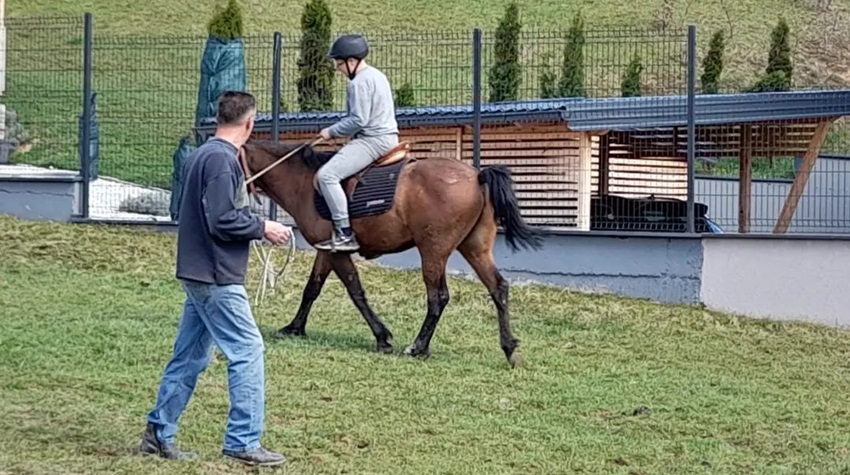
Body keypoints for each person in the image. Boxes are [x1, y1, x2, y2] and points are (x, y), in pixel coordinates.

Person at [139, 90, 292, 467]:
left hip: (196, 270)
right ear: (249, 123)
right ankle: (243, 440)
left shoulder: (200, 155)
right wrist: (263, 226)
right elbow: (222, 219)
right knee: (248, 351)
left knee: (190, 355)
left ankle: (159, 433)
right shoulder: (223, 162)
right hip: (217, 275)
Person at [313, 33, 400, 252]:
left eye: (339, 63)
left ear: (352, 61)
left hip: (372, 140)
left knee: (327, 176)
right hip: (389, 136)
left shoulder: (358, 83)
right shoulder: (378, 75)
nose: (338, 68)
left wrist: (330, 132)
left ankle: (344, 233)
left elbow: (359, 120)